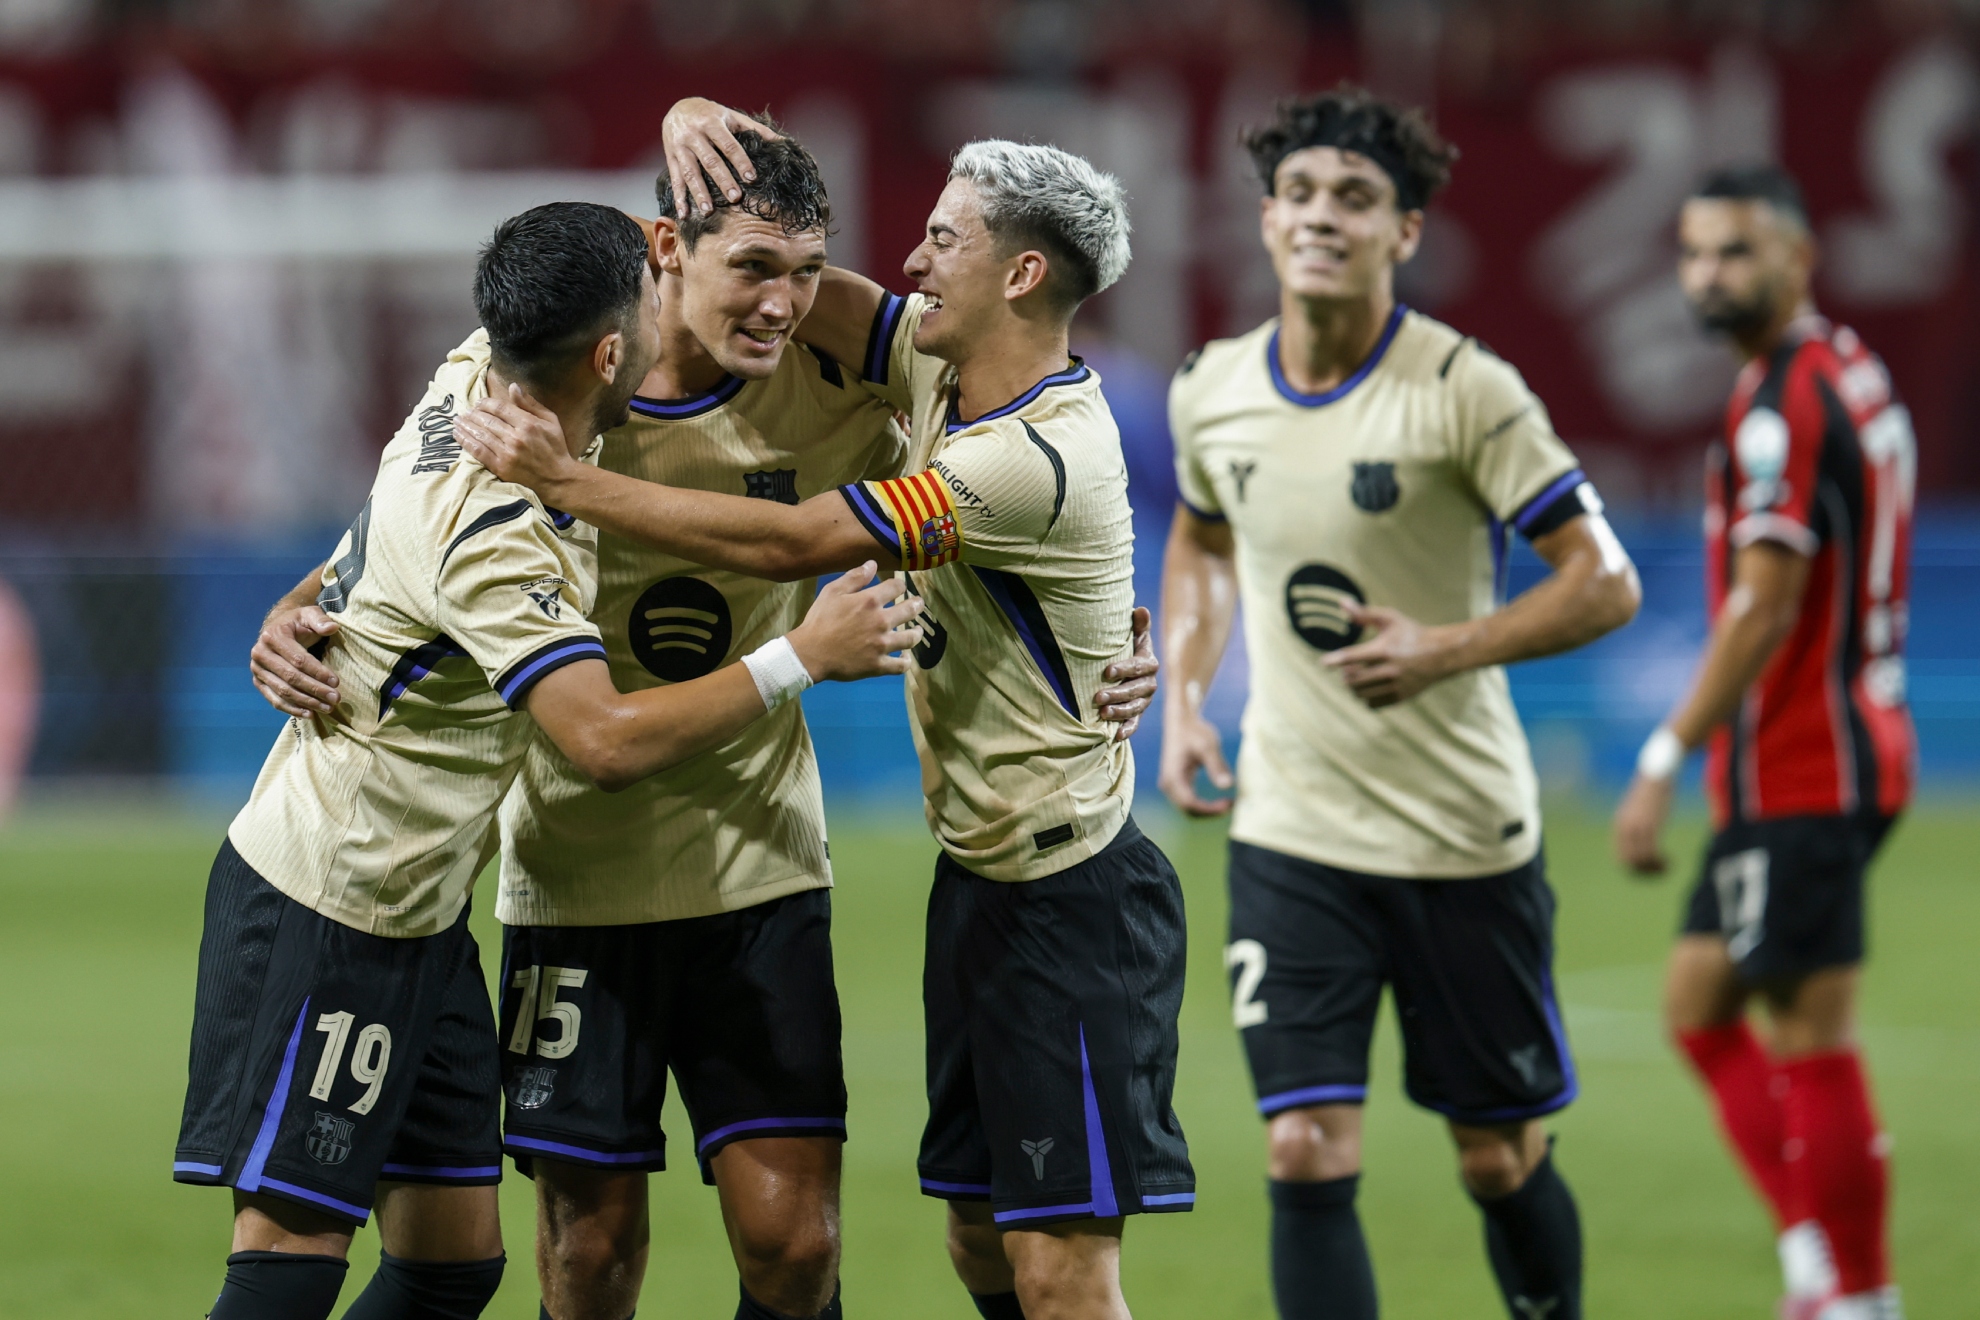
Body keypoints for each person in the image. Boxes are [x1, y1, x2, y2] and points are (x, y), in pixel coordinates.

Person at [253, 122, 1157, 1320]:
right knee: (587, 1252)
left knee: (795, 1246)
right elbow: (412, 506)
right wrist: (298, 604)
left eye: (806, 274)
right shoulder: (554, 369)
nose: (786, 303)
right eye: (751, 272)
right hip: (573, 852)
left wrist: (1111, 637)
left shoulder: (873, 375)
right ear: (665, 249)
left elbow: (842, 520)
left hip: (759, 854)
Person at [181, 200, 922, 1320]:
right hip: (329, 905)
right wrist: (801, 658)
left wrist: (301, 602)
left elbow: (377, 544)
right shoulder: (500, 525)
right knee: (291, 1248)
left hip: (422, 919)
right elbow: (604, 739)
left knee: (450, 1266)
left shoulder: (476, 370)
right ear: (611, 349)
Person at [1158, 88, 1641, 1320]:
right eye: (1303, 195)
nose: (1324, 217)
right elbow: (1205, 542)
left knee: (1497, 1156)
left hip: (1460, 834)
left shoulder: (1468, 391)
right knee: (1303, 1147)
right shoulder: (1211, 387)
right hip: (1292, 832)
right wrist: (1187, 697)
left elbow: (1607, 582)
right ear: (1266, 221)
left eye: (1357, 199)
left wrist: (1446, 647)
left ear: (1405, 233)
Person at [1613, 165, 1913, 1320]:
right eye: (1692, 253)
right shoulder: (1844, 369)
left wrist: (1663, 751)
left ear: (1798, 257)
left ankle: (1861, 1296)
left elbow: (1765, 602)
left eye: (1734, 252)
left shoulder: (1784, 403)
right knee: (1699, 1004)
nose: (1707, 275)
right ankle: (1818, 1269)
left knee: (1805, 1032)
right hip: (1824, 752)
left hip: (1806, 762)